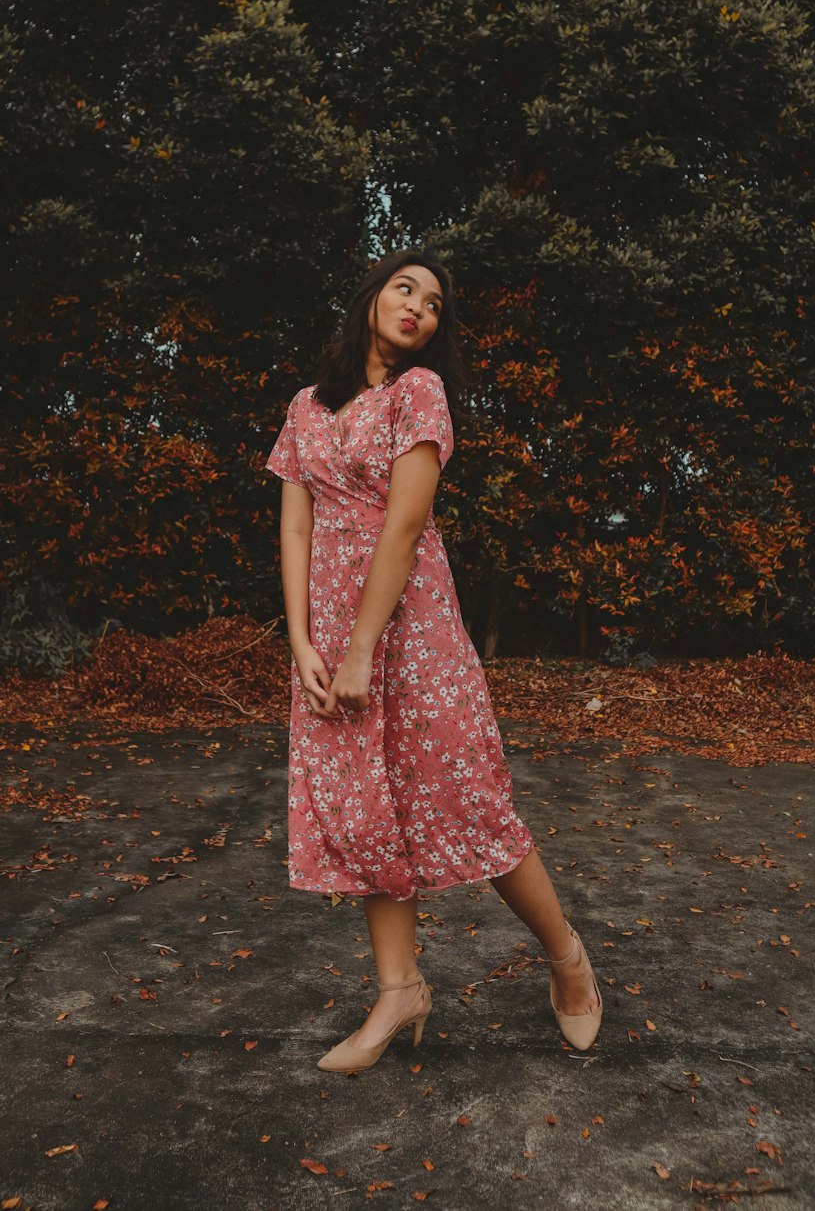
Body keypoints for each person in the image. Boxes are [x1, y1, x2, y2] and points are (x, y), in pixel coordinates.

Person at [264, 247, 602, 1072]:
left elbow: (404, 529)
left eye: (435, 303)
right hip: (331, 631)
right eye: (403, 288)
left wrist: (362, 652)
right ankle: (399, 991)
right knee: (365, 807)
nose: (417, 305)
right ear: (371, 297)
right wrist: (304, 642)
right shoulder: (307, 406)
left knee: (470, 799)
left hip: (410, 629)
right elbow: (296, 529)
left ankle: (568, 959)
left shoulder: (421, 393)